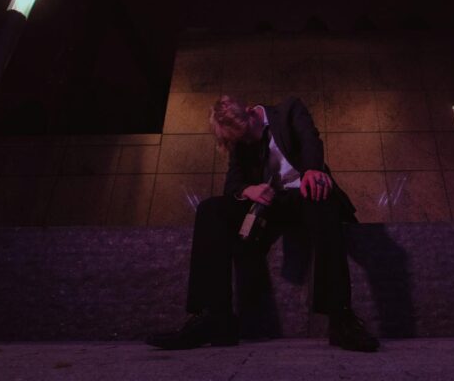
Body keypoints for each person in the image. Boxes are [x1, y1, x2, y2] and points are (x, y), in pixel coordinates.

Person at [145, 95, 379, 352]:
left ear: (251, 113)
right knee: (210, 210)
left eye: (246, 136)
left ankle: (341, 318)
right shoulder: (239, 142)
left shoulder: (289, 110)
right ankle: (213, 318)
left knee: (323, 200)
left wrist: (313, 169)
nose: (245, 143)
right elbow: (232, 185)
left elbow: (310, 138)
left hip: (305, 193)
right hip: (269, 205)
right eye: (239, 141)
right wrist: (248, 190)